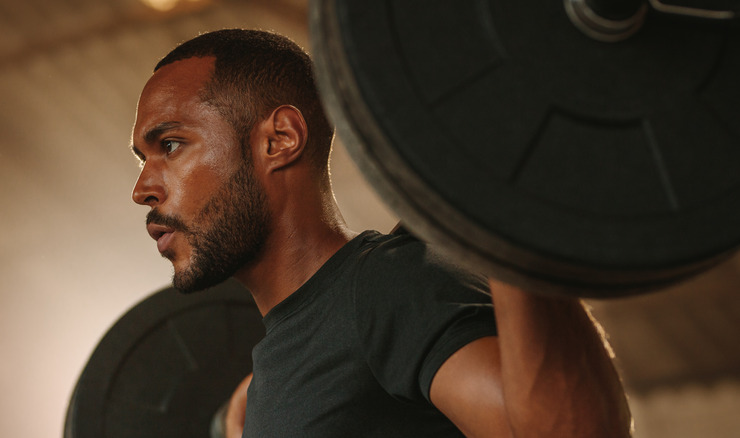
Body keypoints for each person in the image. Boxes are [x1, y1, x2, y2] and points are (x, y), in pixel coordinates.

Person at [130, 29, 632, 437]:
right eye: (142, 159)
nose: (142, 189)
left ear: (279, 140)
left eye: (170, 145)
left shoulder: (386, 288)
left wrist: (504, 210)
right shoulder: (278, 366)